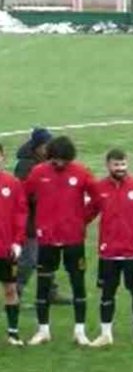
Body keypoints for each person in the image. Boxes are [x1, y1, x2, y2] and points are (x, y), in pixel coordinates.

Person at [24, 136, 94, 346]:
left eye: (63, 160)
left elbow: (97, 199)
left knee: (78, 283)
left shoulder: (81, 173)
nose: (59, 163)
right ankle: (43, 330)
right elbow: (24, 197)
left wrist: (83, 219)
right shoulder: (38, 173)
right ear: (49, 156)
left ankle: (80, 331)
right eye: (55, 159)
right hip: (46, 239)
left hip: (74, 239)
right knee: (43, 284)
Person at [87, 149, 133, 348]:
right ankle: (105, 334)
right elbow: (89, 212)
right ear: (108, 165)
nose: (120, 168)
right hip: (108, 253)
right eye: (116, 165)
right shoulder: (99, 188)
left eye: (123, 164)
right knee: (107, 292)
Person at [13, 127, 58, 301]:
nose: (49, 148)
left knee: (46, 255)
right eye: (46, 145)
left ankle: (50, 291)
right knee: (29, 259)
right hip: (30, 220)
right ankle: (15, 291)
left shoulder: (48, 161)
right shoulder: (25, 166)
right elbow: (22, 194)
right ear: (37, 146)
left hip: (46, 218)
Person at [0, 143, 28, 345]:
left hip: (5, 249)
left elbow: (21, 214)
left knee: (10, 289)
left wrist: (18, 242)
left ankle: (13, 333)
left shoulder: (12, 184)